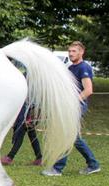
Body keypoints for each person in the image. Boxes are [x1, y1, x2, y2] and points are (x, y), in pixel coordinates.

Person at [42, 41, 101, 176]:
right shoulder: (70, 68)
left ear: (81, 52)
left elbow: (88, 90)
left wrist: (72, 103)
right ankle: (93, 164)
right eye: (69, 51)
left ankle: (57, 169)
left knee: (67, 136)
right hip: (70, 106)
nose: (70, 53)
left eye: (74, 51)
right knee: (74, 138)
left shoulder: (83, 67)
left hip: (77, 106)